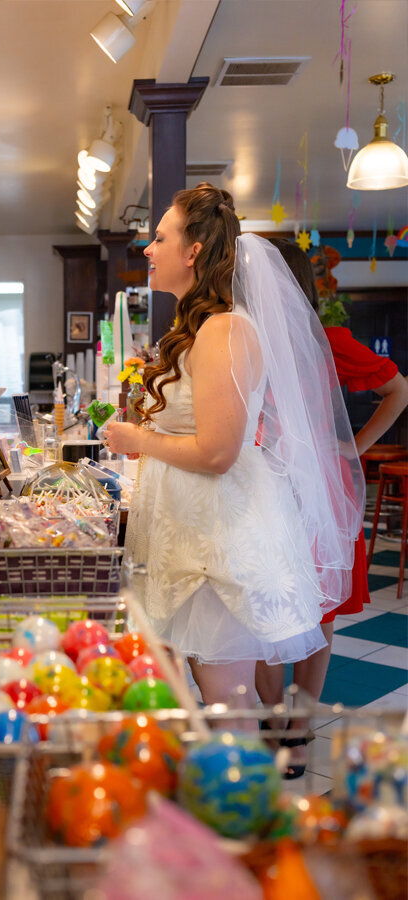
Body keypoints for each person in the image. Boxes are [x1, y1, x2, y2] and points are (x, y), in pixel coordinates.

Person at [104, 183, 364, 712]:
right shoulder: (201, 326)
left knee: (228, 704)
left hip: (217, 539)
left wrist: (140, 439)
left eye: (159, 238)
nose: (148, 250)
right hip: (194, 531)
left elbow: (219, 453)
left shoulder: (223, 330)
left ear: (193, 250)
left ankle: (245, 792)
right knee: (215, 695)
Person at [255, 238, 408, 775]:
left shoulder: (326, 341)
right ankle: (274, 721)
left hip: (317, 490)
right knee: (264, 604)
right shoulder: (240, 338)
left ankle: (298, 725)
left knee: (318, 609)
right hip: (260, 488)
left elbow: (399, 390)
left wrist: (355, 445)